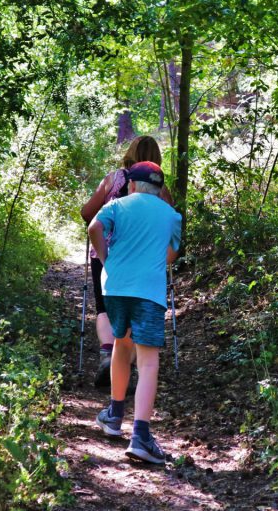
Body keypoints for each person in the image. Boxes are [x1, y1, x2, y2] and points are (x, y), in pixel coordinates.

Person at [90, 161, 181, 465]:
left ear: (131, 185)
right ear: (158, 188)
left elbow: (94, 227)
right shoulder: (171, 215)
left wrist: (106, 258)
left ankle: (114, 415)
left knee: (121, 344)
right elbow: (170, 256)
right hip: (148, 291)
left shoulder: (117, 206)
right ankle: (140, 435)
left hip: (114, 287)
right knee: (148, 360)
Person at [81, 136, 173, 388]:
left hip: (105, 252)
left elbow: (87, 213)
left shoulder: (113, 179)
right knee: (134, 307)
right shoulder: (159, 186)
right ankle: (126, 363)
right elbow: (170, 218)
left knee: (104, 308)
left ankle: (107, 354)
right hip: (143, 255)